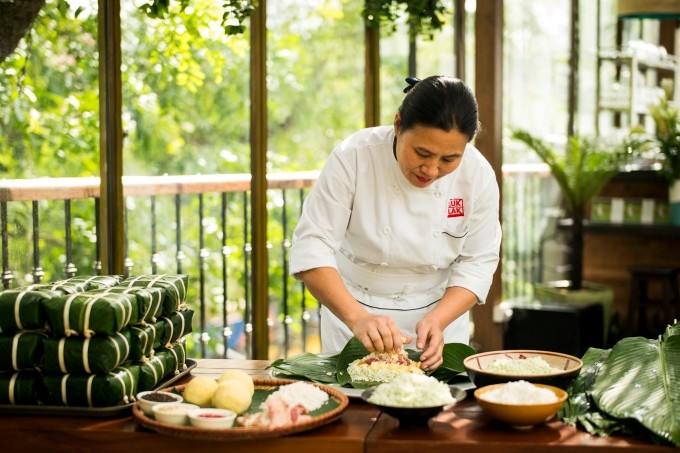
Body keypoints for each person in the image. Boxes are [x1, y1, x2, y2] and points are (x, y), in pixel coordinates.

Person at [289, 75, 501, 372]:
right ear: (398, 124)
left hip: (438, 320)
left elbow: (478, 261)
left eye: (449, 159)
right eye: (422, 153)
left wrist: (438, 320)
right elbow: (312, 246)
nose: (431, 169)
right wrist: (358, 318)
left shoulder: (478, 175)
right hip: (353, 312)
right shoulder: (354, 157)